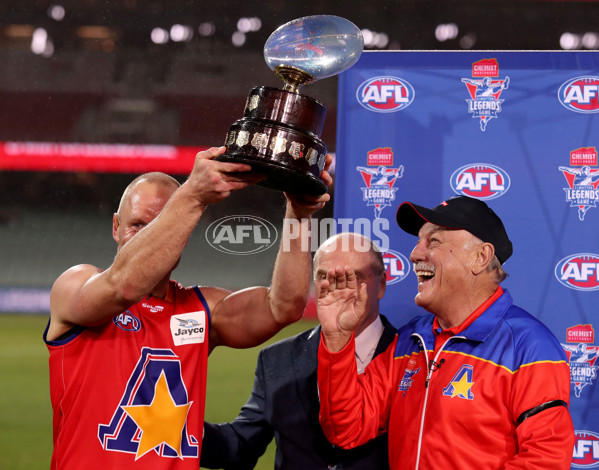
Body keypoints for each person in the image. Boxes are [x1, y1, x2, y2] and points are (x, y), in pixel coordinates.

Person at [43, 146, 332, 470]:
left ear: (184, 230)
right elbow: (123, 285)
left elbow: (284, 306)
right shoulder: (74, 285)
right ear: (115, 227)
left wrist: (298, 215)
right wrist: (192, 196)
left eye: (163, 224)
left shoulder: (201, 309)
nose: (149, 235)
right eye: (138, 225)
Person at [316, 196, 574, 469]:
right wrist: (336, 337)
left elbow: (546, 460)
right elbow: (346, 428)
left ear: (481, 257)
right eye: (418, 242)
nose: (415, 254)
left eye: (433, 242)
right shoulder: (408, 340)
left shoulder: (529, 345)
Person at [200, 233, 396, 470]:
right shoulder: (278, 359)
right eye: (325, 277)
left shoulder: (411, 357)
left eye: (353, 277)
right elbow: (238, 446)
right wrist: (179, 425)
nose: (338, 288)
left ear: (381, 284)